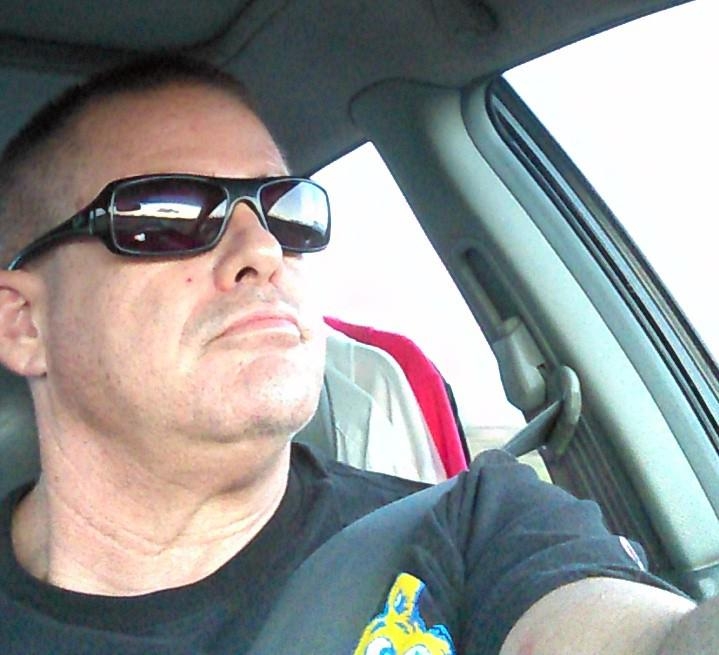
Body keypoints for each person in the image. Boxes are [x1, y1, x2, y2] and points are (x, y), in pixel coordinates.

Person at [0, 55, 713, 655]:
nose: (263, 250)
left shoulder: (474, 531)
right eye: (168, 214)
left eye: (286, 210)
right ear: (24, 323)